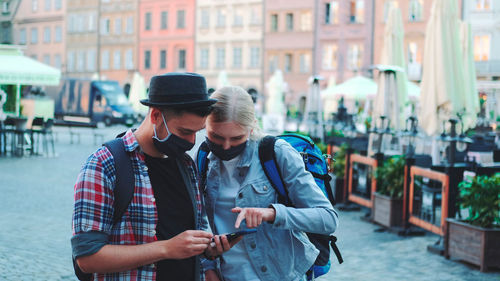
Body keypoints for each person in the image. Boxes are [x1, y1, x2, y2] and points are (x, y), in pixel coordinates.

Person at [71, 72, 232, 281]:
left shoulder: (186, 166)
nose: (191, 141)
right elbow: (87, 258)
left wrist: (208, 248)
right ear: (155, 116)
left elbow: (188, 242)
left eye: (197, 132)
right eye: (184, 132)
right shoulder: (104, 164)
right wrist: (165, 249)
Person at [201, 86, 339, 281]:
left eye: (237, 138)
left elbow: (327, 219)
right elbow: (197, 224)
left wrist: (273, 214)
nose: (226, 146)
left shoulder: (276, 153)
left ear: (251, 127)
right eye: (216, 136)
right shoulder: (201, 157)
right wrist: (208, 266)